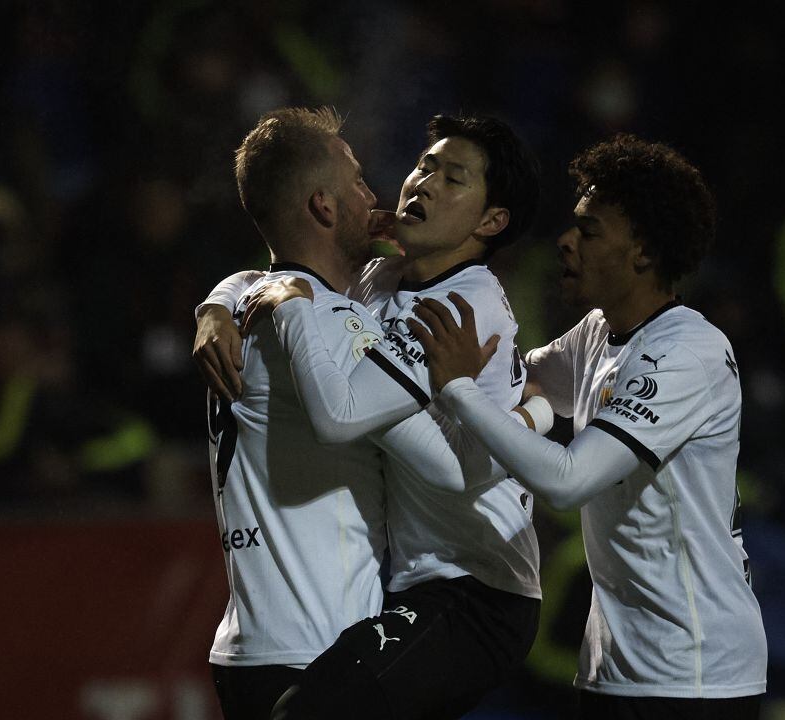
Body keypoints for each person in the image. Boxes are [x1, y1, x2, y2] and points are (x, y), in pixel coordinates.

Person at [196, 114, 545, 720]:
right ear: (326, 206)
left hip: (473, 585)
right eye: (424, 166)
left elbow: (362, 418)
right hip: (362, 606)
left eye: (452, 177)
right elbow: (300, 280)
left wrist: (535, 415)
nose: (414, 185)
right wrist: (224, 301)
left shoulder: (455, 308)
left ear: (491, 221)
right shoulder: (368, 287)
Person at [407, 135, 768, 719]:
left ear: (643, 252)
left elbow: (570, 480)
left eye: (589, 230)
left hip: (695, 676)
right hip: (615, 670)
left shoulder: (687, 351)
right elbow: (516, 380)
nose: (565, 240)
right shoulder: (598, 332)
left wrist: (459, 390)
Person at [199, 106, 399, 720]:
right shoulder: (326, 323)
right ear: (324, 207)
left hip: (255, 645)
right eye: (358, 181)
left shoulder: (252, 304)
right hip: (316, 649)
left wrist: (215, 303)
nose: (373, 196)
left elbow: (244, 286)